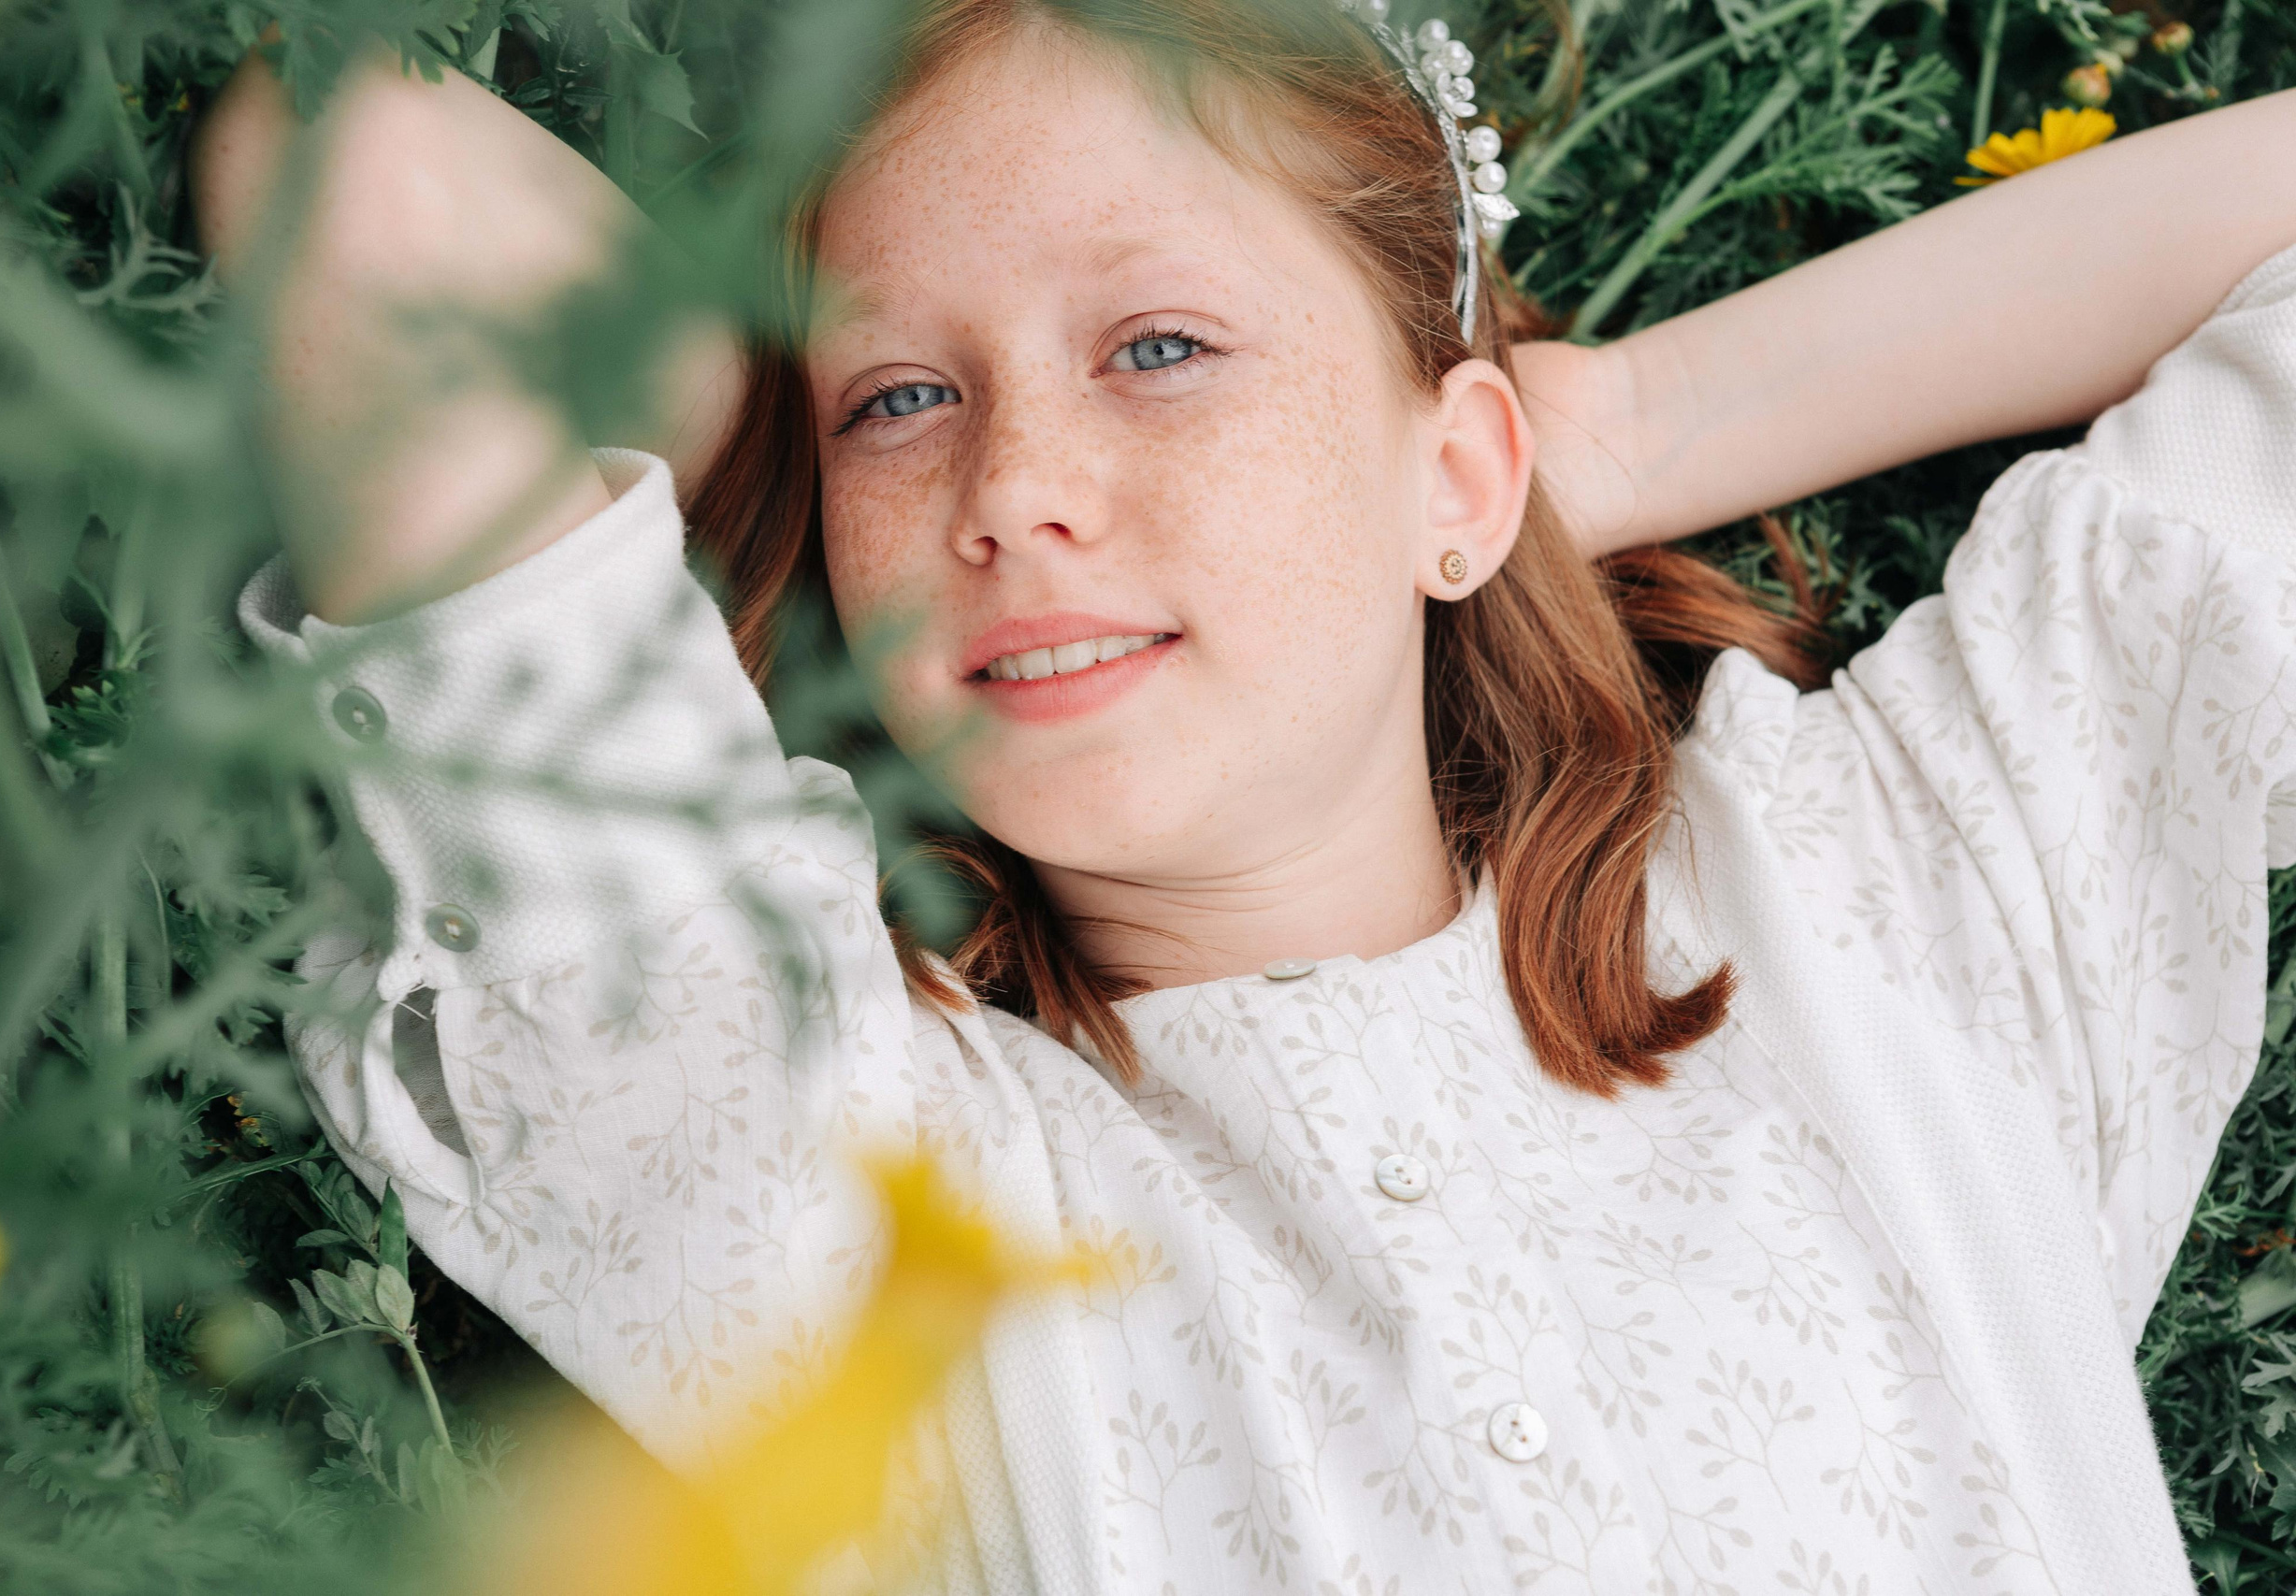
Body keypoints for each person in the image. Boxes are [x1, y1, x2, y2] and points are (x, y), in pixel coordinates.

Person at [190, 2, 2296, 1589]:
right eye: (901, 399)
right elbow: (359, 164)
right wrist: (779, 515)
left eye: (1160, 349)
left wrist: (1624, 426)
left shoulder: (1908, 905)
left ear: (1456, 473)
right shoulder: (813, 1172)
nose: (1014, 487)